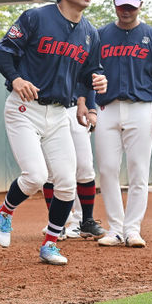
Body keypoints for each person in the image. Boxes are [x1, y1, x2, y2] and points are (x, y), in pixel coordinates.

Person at [0, 0, 108, 266]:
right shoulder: (36, 17)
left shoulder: (90, 34)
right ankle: (4, 212)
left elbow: (90, 72)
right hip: (23, 108)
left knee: (67, 182)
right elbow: (4, 50)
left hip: (59, 114)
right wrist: (15, 78)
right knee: (36, 176)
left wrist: (94, 89)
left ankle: (51, 243)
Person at [91, 0, 152, 248]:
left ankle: (133, 229)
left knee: (139, 171)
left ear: (140, 5)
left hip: (140, 108)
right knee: (107, 170)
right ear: (114, 4)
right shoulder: (100, 35)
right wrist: (87, 104)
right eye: (122, 5)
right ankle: (115, 228)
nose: (126, 11)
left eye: (131, 6)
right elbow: (87, 73)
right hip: (106, 109)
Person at [40, 91, 105, 241]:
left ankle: (86, 221)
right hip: (50, 108)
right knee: (51, 173)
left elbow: (86, 77)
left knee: (85, 168)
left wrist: (92, 109)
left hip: (75, 107)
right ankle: (56, 224)